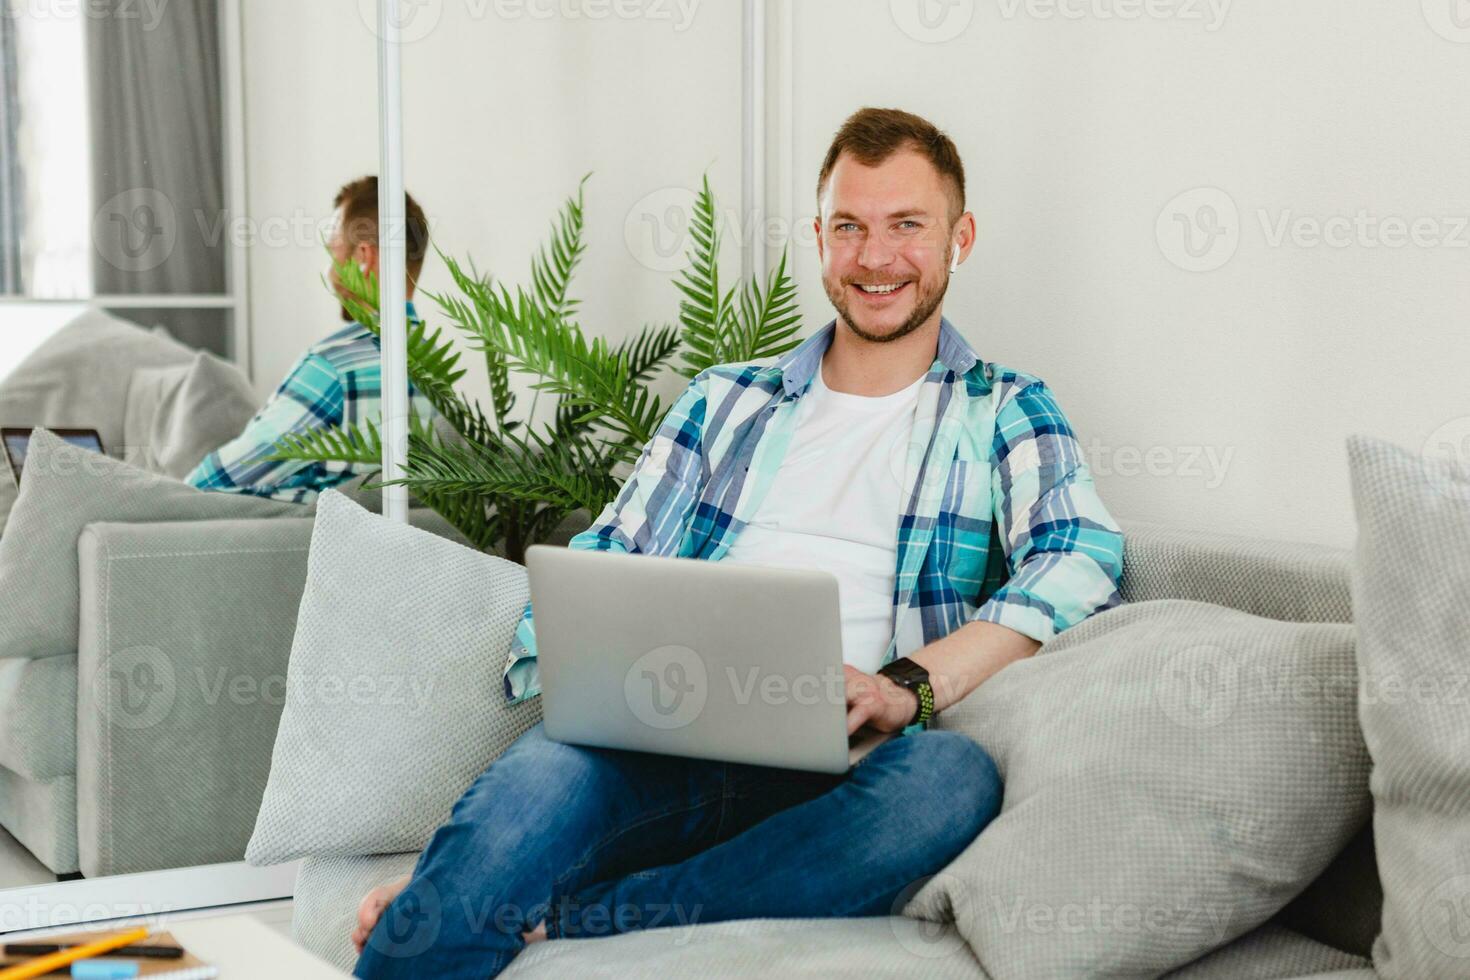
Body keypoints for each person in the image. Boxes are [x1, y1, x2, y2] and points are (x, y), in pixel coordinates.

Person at [352, 108, 1126, 978]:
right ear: (820, 237)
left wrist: (906, 687)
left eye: (907, 225)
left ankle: (581, 917)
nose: (875, 258)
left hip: (850, 768)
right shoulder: (724, 402)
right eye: (849, 227)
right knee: (534, 793)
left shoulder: (1006, 408)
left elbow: (1079, 555)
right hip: (659, 738)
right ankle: (466, 894)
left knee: (950, 781)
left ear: (960, 237)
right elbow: (612, 552)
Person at [186, 177, 435, 503]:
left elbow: (214, 482)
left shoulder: (335, 369)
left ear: (364, 258)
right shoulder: (439, 376)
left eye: (334, 254)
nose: (331, 275)